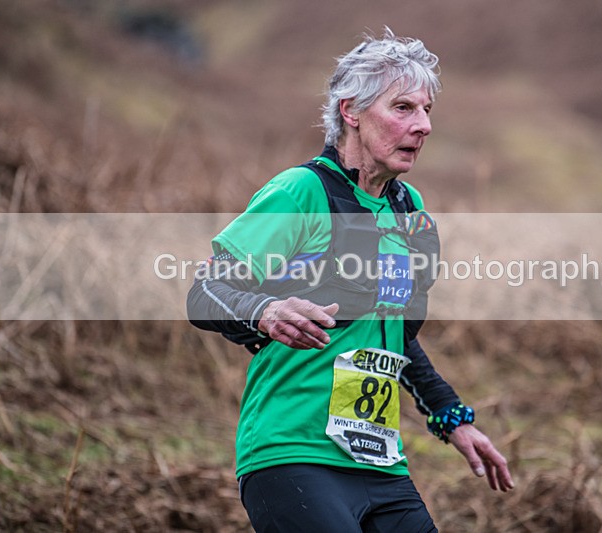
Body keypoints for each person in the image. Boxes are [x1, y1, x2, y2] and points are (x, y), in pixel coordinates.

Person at [187, 28, 513, 532]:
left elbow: (388, 336)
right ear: (351, 111)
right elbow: (203, 292)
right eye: (403, 108)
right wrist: (265, 311)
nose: (423, 126)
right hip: (292, 454)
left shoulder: (409, 209)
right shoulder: (302, 191)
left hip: (380, 463)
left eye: (426, 111)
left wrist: (452, 418)